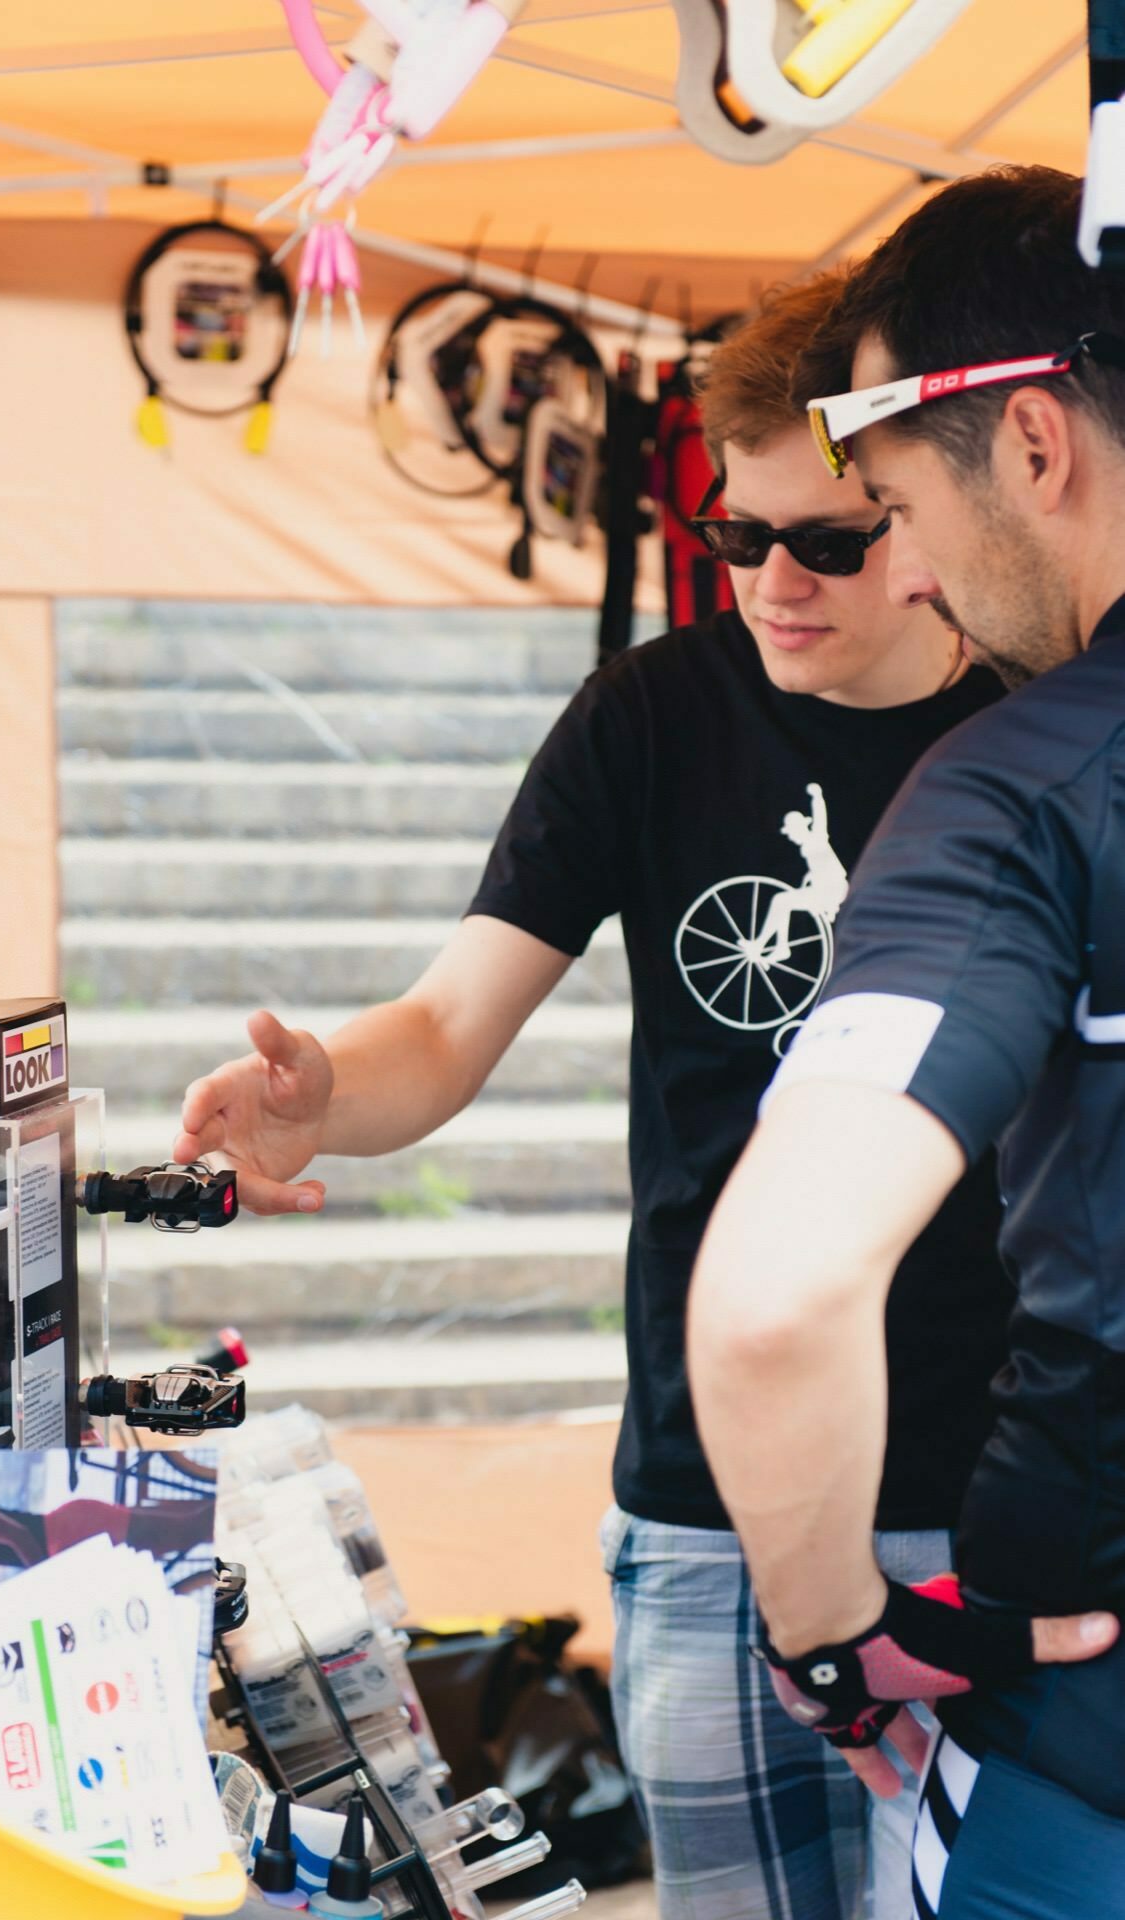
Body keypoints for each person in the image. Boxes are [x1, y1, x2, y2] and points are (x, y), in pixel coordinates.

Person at [174, 271, 1013, 1920]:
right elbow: (448, 1018)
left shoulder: (1033, 728)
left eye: (827, 542)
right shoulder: (647, 718)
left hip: (1001, 1492)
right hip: (716, 1501)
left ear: (923, 518)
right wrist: (327, 1094)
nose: (770, 581)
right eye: (733, 532)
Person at [687, 165, 1125, 1920]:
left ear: (1031, 442)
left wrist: (830, 1638)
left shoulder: (1020, 790)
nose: (913, 573)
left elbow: (775, 1301)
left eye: (886, 507)